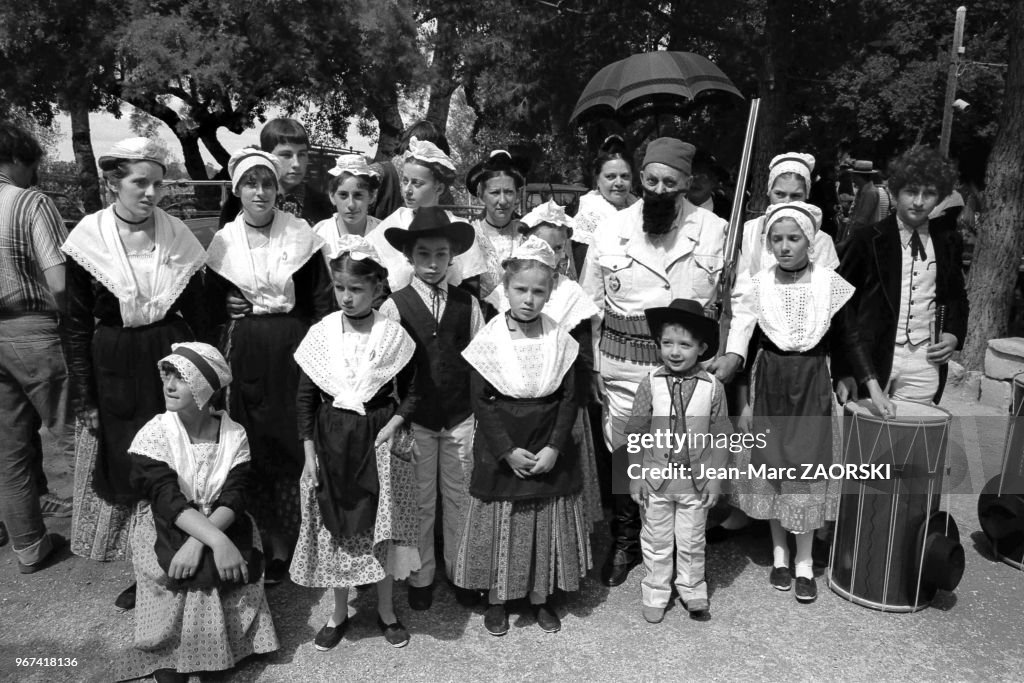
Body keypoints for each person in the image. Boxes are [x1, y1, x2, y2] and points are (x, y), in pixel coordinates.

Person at [579, 137, 756, 587]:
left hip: (691, 369)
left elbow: (743, 299)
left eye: (670, 184)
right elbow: (590, 303)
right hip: (624, 365)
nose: (658, 191)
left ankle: (682, 544)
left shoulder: (717, 231)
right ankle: (626, 540)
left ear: (687, 184)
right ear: (641, 178)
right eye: (651, 181)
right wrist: (594, 365)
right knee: (627, 451)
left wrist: (734, 351)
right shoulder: (610, 229)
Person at [63, 137, 207, 609]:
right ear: (112, 183)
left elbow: (201, 312)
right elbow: (77, 324)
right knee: (131, 465)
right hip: (116, 361)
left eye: (157, 184)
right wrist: (85, 397)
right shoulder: (88, 240)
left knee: (175, 459)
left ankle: (178, 556)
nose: (150, 193)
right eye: (139, 182)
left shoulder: (177, 237)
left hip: (167, 354)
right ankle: (142, 569)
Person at [731, 202, 890, 603]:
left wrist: (873, 387)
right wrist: (744, 402)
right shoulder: (758, 284)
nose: (785, 247)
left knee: (805, 467)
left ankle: (804, 560)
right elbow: (746, 345)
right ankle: (780, 554)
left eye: (793, 238)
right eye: (777, 239)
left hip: (812, 382)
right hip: (769, 380)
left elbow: (850, 338)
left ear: (810, 241)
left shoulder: (828, 284)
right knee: (771, 466)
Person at [206, 148, 332, 584]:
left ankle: (305, 543)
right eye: (250, 183)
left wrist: (320, 358)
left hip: (293, 350)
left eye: (267, 183)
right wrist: (224, 302)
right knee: (254, 444)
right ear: (237, 189)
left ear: (278, 188)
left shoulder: (300, 235)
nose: (260, 192)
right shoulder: (222, 242)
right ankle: (268, 544)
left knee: (296, 442)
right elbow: (207, 305)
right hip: (246, 353)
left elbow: (320, 303)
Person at [118, 343, 278, 683]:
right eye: (168, 376)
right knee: (187, 569)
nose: (170, 385)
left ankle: (214, 650)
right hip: (170, 522)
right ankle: (172, 646)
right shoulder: (156, 434)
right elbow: (165, 498)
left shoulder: (234, 435)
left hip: (223, 519)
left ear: (204, 388)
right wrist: (214, 540)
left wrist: (206, 541)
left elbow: (235, 495)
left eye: (182, 378)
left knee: (209, 566)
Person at [455, 236, 592, 636]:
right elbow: (480, 399)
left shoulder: (560, 340)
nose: (529, 299)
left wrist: (554, 447)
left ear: (550, 293)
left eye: (538, 291)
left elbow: (570, 398)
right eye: (521, 290)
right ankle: (497, 598)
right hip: (504, 442)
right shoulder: (490, 339)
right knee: (504, 518)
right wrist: (506, 450)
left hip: (548, 438)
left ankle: (539, 596)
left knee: (542, 519)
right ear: (506, 289)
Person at [290, 236, 420, 650]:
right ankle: (338, 611)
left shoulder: (392, 334)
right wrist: (309, 452)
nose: (347, 297)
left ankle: (385, 610)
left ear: (377, 288)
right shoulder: (322, 333)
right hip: (331, 437)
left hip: (377, 435)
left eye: (357, 289)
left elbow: (415, 391)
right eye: (340, 288)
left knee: (381, 525)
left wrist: (393, 424)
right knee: (337, 525)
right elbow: (306, 398)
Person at [378, 207, 485, 610]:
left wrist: (475, 414)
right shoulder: (395, 306)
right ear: (409, 256)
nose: (433, 263)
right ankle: (421, 575)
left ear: (452, 256)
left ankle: (460, 572)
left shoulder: (467, 304)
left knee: (459, 498)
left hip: (459, 416)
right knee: (421, 502)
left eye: (441, 254)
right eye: (424, 254)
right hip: (416, 420)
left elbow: (478, 359)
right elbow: (387, 368)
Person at [487, 203, 603, 527]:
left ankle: (565, 530)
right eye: (541, 245)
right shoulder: (509, 291)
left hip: (560, 397)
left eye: (556, 248)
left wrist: (580, 393)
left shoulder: (570, 292)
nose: (548, 254)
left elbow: (580, 352)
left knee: (560, 468)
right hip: (514, 398)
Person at [836, 146, 967, 406]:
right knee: (864, 443)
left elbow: (956, 296)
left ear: (939, 196)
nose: (918, 201)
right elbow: (842, 306)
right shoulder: (866, 239)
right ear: (896, 192)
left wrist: (953, 334)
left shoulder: (948, 241)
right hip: (871, 359)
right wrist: (844, 369)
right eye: (911, 191)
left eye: (928, 194)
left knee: (911, 442)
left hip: (924, 360)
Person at [626, 299, 729, 623]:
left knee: (691, 540)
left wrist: (715, 477)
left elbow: (722, 434)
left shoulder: (713, 387)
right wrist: (635, 473)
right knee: (656, 540)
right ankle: (655, 591)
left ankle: (693, 590)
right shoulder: (650, 383)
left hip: (695, 482)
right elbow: (637, 430)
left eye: (684, 344)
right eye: (667, 343)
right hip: (656, 480)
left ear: (701, 347)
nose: (675, 351)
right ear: (658, 345)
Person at [0, 121, 70, 573]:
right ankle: (105, 531)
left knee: (9, 447)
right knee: (75, 433)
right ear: (20, 160)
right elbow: (60, 281)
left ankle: (27, 545)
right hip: (34, 328)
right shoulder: (30, 202)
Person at [366, 138, 489, 295]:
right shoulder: (393, 223)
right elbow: (376, 285)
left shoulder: (457, 226)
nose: (407, 190)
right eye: (405, 181)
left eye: (417, 183)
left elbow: (470, 290)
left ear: (439, 188)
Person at [218, 118, 333, 228]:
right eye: (286, 155)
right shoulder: (239, 203)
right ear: (268, 157)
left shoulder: (323, 205)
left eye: (302, 154)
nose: (296, 164)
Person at [466, 149, 529, 300]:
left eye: (508, 192)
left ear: (517, 196)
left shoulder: (528, 234)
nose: (502, 200)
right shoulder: (470, 236)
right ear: (481, 197)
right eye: (495, 193)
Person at [574, 135, 636, 270]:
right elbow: (585, 271)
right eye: (610, 177)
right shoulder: (589, 216)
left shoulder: (638, 208)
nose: (619, 183)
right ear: (597, 179)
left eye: (625, 176)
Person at [312, 154, 382, 259]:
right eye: (343, 195)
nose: (351, 205)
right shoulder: (320, 234)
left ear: (371, 196)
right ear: (332, 196)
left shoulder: (381, 234)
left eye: (358, 195)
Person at [840, 159, 880, 242]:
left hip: (865, 238)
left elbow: (862, 220)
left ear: (858, 176)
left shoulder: (870, 192)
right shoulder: (862, 190)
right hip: (859, 236)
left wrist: (848, 240)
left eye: (853, 175)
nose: (852, 177)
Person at [686, 150, 730, 220]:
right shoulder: (674, 206)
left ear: (714, 181)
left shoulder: (728, 212)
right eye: (691, 174)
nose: (695, 181)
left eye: (703, 176)